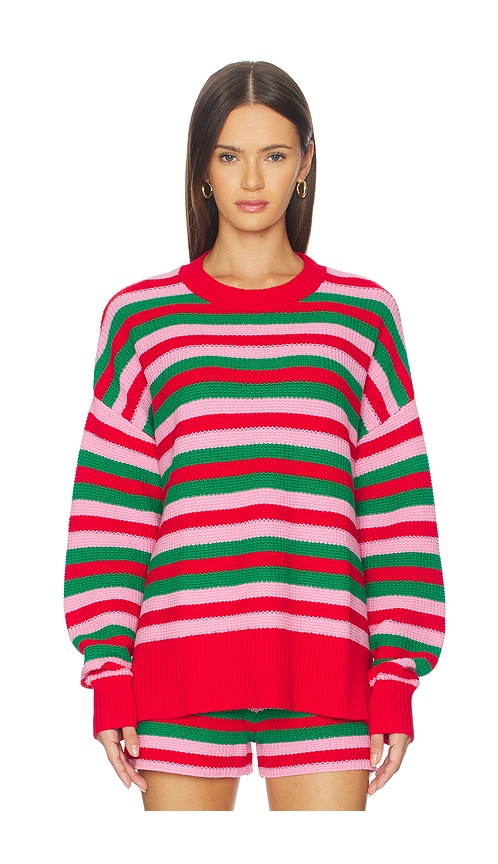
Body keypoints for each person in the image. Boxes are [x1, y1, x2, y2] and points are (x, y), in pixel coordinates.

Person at [64, 60, 445, 811]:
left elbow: (396, 511)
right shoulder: (142, 320)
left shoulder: (361, 317)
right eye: (228, 155)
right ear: (201, 169)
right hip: (177, 664)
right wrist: (109, 673)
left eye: (273, 154)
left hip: (325, 664)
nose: (250, 179)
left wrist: (396, 676)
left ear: (305, 162)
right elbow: (112, 511)